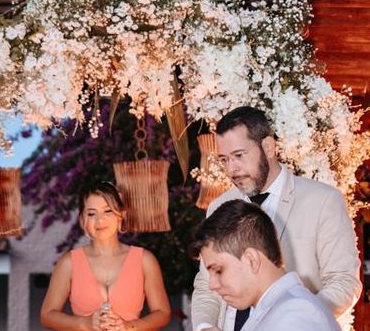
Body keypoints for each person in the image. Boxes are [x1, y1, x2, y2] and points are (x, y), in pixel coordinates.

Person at [191, 106, 361, 331]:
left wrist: (292, 319)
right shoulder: (218, 206)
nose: (232, 169)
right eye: (224, 160)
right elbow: (206, 286)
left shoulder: (323, 200)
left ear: (268, 147)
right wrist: (205, 327)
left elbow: (344, 282)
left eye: (239, 156)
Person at [191, 199, 340, 331]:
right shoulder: (277, 309)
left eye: (218, 270)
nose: (212, 285)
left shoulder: (296, 313)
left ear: (251, 260)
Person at [40, 181, 171, 330]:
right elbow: (47, 315)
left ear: (121, 215)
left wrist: (129, 327)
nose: (99, 219)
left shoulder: (145, 260)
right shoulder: (68, 263)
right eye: (91, 213)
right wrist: (84, 323)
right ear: (82, 220)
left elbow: (163, 313)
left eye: (107, 211)